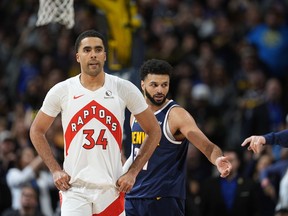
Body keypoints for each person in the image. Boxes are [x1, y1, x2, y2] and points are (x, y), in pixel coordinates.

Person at [29, 30, 161, 216]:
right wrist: (55, 170)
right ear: (78, 56)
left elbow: (154, 130)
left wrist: (132, 172)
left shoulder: (123, 88)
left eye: (98, 50)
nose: (93, 54)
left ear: (105, 56)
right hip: (74, 189)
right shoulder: (62, 90)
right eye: (87, 50)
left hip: (112, 188)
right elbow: (36, 130)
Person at [123, 59, 232, 216]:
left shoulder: (176, 115)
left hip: (163, 198)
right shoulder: (135, 113)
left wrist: (217, 159)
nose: (160, 90)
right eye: (154, 85)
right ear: (142, 85)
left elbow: (208, 146)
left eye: (164, 85)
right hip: (133, 196)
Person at [200, 148, 260, 216]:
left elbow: (256, 210)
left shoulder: (249, 184)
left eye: (231, 160)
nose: (228, 164)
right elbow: (203, 210)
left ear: (238, 162)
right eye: (225, 161)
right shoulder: (209, 184)